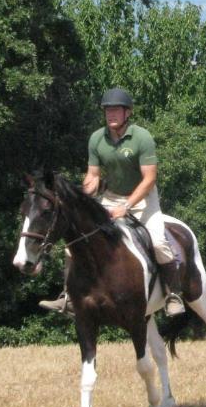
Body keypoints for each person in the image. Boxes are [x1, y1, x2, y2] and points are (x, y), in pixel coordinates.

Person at [39, 88, 185, 316]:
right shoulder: (97, 138)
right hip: (111, 197)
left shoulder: (142, 137)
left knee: (158, 243)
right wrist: (83, 198)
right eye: (108, 110)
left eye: (116, 110)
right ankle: (67, 297)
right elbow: (93, 176)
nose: (111, 114)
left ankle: (173, 294)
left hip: (143, 198)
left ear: (128, 113)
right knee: (74, 243)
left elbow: (149, 179)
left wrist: (125, 207)